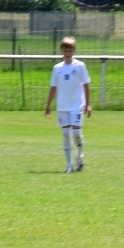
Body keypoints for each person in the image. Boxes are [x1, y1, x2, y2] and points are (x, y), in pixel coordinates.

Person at [45, 36, 91, 173]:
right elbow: (54, 87)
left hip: (77, 104)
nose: (68, 53)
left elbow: (86, 84)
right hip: (62, 105)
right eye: (65, 50)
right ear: (62, 51)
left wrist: (88, 104)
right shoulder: (57, 68)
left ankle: (79, 157)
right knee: (66, 132)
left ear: (74, 51)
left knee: (76, 132)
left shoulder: (80, 66)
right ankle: (69, 164)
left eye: (70, 50)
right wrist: (48, 105)